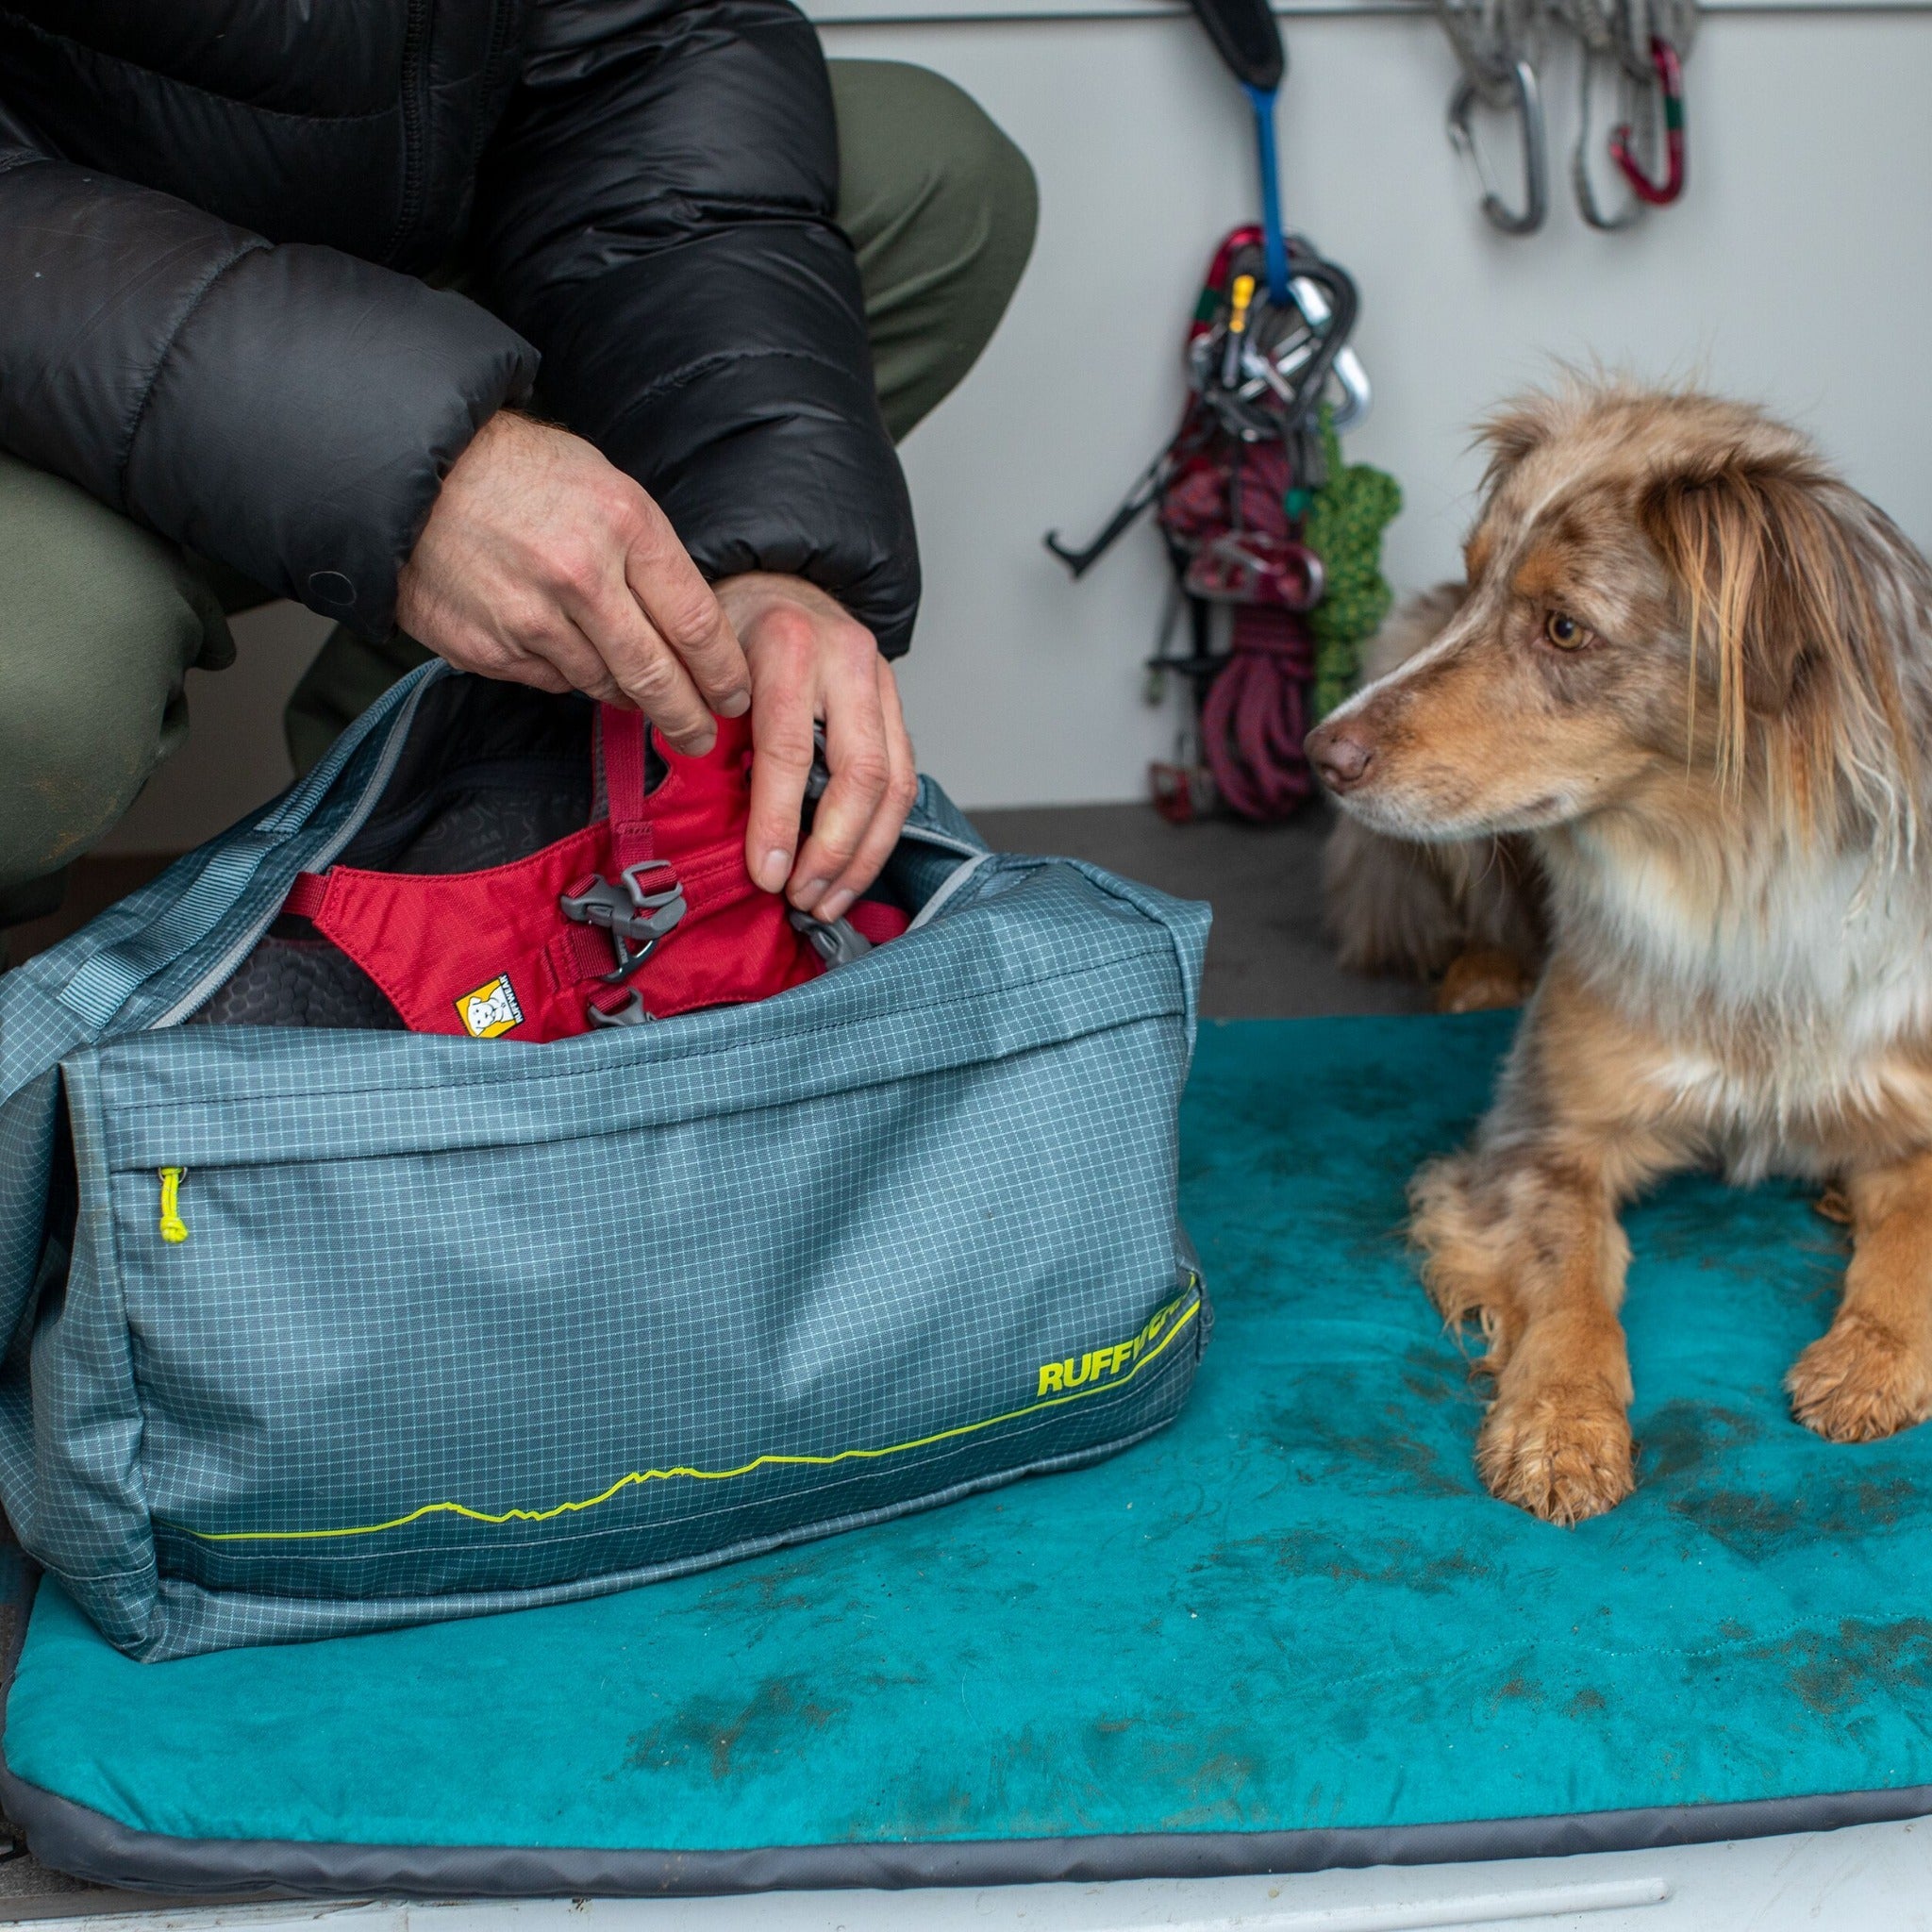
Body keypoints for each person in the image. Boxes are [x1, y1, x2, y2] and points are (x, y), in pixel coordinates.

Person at [0, 3, 1037, 955]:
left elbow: (645, 48)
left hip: (363, 278)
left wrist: (758, 540)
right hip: (37, 351)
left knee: (923, 166)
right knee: (36, 687)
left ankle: (433, 845)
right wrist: (400, 454)